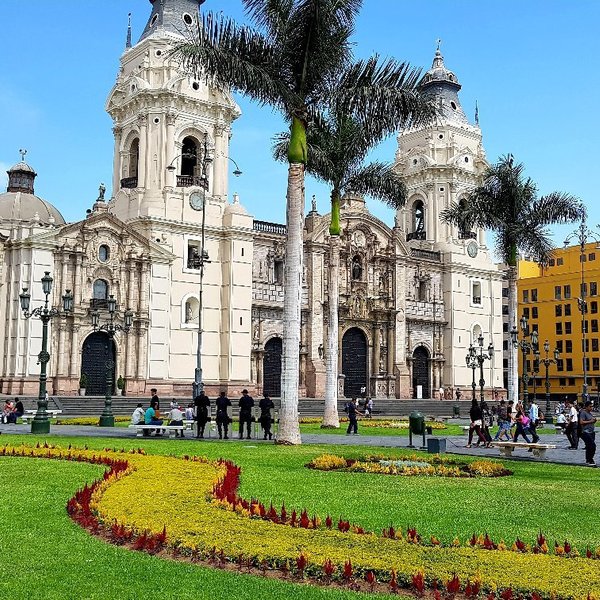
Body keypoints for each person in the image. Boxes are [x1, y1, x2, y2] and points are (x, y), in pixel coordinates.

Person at [579, 400, 597, 466]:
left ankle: (588, 460)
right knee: (592, 446)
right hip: (585, 432)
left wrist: (593, 421)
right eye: (590, 406)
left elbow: (590, 421)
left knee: (589, 447)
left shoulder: (590, 413)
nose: (591, 408)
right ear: (586, 407)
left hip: (591, 432)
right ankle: (590, 459)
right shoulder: (583, 413)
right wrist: (590, 421)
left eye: (592, 406)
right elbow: (581, 422)